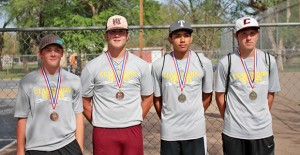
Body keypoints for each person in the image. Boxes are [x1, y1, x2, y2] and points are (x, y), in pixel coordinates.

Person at [80, 15, 153, 155]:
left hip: (132, 129)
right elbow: (84, 102)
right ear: (106, 36)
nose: (117, 34)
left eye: (121, 31)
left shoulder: (141, 65)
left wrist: (135, 118)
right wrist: (99, 120)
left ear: (127, 35)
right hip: (103, 130)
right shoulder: (92, 67)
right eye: (113, 31)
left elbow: (148, 98)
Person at [214, 16, 281, 155]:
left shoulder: (269, 61)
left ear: (257, 35)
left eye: (252, 33)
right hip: (234, 132)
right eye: (244, 33)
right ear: (236, 36)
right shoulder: (226, 62)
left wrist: (260, 115)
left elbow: (271, 94)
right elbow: (220, 96)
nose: (248, 37)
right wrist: (229, 118)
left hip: (262, 131)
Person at [14, 34, 84, 155]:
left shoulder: (74, 80)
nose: (53, 54)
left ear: (62, 53)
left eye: (57, 50)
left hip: (68, 144)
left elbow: (78, 115)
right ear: (40, 53)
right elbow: (22, 118)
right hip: (37, 147)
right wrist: (20, 151)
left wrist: (80, 147)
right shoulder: (27, 82)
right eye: (48, 50)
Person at [152, 20, 213, 155]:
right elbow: (157, 99)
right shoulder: (159, 65)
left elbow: (207, 96)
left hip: (195, 131)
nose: (182, 40)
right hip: (170, 132)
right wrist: (168, 118)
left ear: (191, 38)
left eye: (186, 35)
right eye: (177, 36)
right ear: (170, 39)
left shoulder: (203, 62)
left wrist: (193, 114)